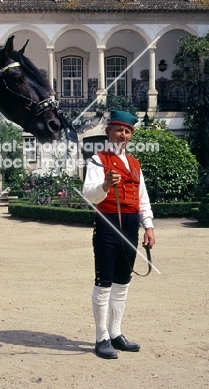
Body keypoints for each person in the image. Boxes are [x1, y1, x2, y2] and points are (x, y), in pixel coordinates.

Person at [82, 110, 155, 359]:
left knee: (122, 282)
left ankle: (116, 333)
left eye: (127, 131)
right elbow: (88, 195)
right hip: (107, 224)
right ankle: (101, 337)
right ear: (108, 133)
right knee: (104, 283)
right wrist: (104, 185)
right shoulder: (97, 160)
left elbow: (142, 198)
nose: (122, 135)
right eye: (118, 130)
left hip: (130, 225)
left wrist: (149, 226)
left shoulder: (134, 164)